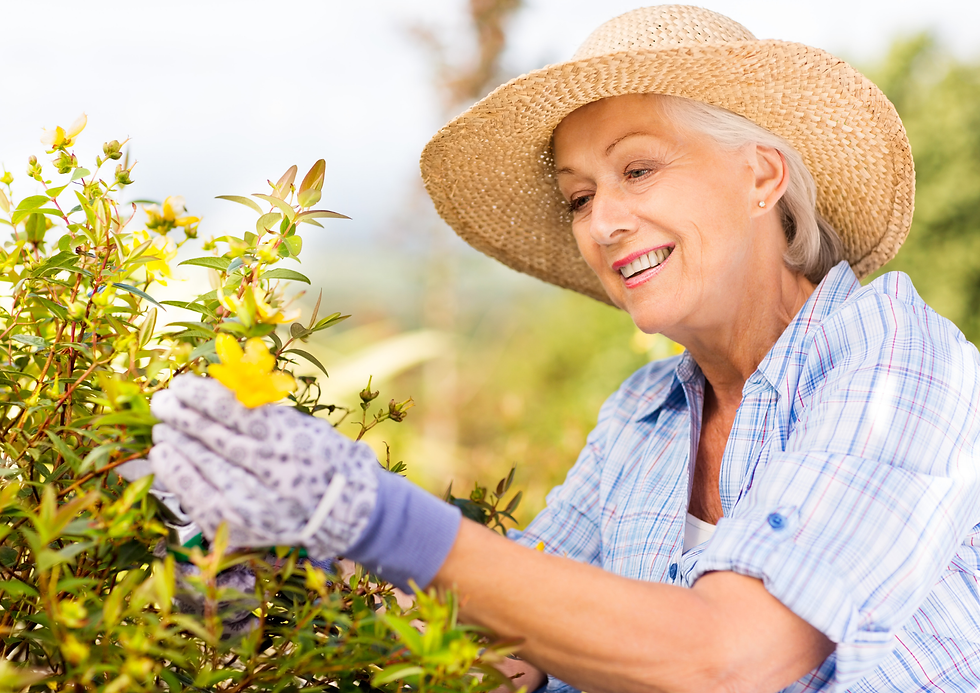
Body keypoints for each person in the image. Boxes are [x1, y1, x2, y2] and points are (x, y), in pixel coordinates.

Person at [146, 6, 980, 692]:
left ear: (762, 176)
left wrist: (366, 507)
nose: (602, 223)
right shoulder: (644, 418)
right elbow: (515, 650)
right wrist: (297, 572)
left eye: (639, 171)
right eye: (579, 196)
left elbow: (731, 658)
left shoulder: (898, 361)